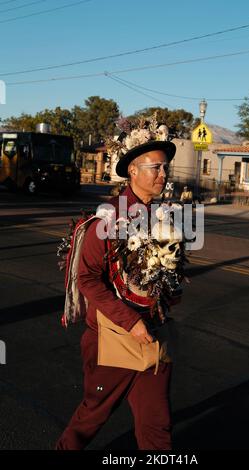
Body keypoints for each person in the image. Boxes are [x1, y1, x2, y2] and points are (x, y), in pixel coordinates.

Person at [55, 133, 179, 450]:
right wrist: (131, 322)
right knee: (91, 417)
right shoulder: (109, 218)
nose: (163, 175)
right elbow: (88, 278)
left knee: (157, 423)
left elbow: (165, 275)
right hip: (112, 338)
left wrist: (170, 289)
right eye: (156, 168)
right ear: (133, 171)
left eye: (166, 168)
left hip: (152, 334)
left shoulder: (164, 217)